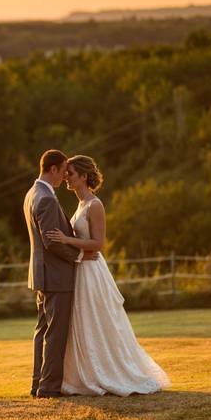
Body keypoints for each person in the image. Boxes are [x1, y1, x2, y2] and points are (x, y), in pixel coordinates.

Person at [45, 155, 170, 396]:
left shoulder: (95, 205)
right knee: (81, 321)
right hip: (80, 268)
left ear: (83, 176)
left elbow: (98, 243)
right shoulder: (80, 205)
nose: (67, 178)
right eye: (66, 173)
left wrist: (66, 239)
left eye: (71, 174)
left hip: (92, 271)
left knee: (98, 319)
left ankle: (111, 373)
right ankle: (84, 374)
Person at [23, 149, 98, 398]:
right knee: (55, 334)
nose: (64, 176)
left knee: (43, 331)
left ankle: (38, 383)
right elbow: (52, 242)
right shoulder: (46, 198)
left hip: (43, 275)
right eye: (63, 171)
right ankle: (49, 387)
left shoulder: (32, 194)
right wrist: (78, 257)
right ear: (52, 169)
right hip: (56, 276)